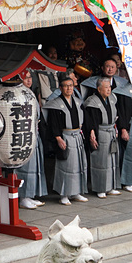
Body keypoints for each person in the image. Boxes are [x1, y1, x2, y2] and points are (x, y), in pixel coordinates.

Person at [43, 76, 88, 205]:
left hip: (77, 135)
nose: (69, 88)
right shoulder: (56, 104)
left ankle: (76, 192)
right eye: (66, 86)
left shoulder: (78, 102)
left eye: (71, 85)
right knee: (66, 166)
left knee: (79, 165)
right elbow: (53, 124)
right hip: (65, 136)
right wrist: (58, 138)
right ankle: (64, 194)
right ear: (60, 88)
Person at [83, 77, 122, 199]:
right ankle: (100, 188)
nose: (109, 90)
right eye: (106, 87)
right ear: (99, 89)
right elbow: (91, 120)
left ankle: (111, 186)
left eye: (109, 87)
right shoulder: (92, 101)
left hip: (111, 131)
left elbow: (116, 116)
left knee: (112, 161)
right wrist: (92, 134)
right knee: (101, 161)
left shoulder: (112, 98)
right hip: (100, 132)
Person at [14, 73, 47, 210]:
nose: (29, 80)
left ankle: (30, 195)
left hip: (34, 132)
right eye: (25, 77)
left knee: (35, 165)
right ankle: (23, 197)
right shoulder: (17, 94)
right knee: (25, 167)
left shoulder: (31, 93)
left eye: (30, 77)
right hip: (24, 134)